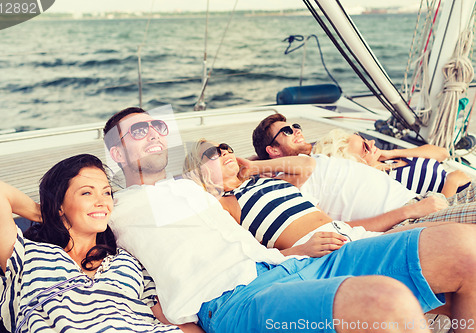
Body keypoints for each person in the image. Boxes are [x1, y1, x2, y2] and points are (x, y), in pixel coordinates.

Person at [104, 106, 476, 333]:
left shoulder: (190, 192)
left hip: (289, 264)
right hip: (236, 300)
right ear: (118, 152)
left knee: (463, 247)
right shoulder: (114, 207)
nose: (154, 133)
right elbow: (56, 216)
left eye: (159, 127)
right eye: (140, 130)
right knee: (385, 301)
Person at [0, 154, 201, 333]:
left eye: (106, 192)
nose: (102, 201)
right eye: (87, 193)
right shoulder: (29, 256)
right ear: (60, 204)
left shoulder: (128, 260)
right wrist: (48, 212)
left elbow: (165, 318)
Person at [252, 113, 476, 230]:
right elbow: (333, 229)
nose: (297, 131)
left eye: (297, 127)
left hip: (425, 202)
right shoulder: (292, 186)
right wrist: (255, 166)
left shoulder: (318, 161)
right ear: (272, 150)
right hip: (413, 216)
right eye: (287, 131)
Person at [183, 138, 385, 257]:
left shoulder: (263, 181)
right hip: (319, 251)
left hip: (349, 234)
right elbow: (247, 257)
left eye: (226, 147)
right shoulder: (223, 204)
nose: (225, 151)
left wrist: (255, 167)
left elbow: (306, 166)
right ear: (198, 170)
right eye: (213, 152)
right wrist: (300, 251)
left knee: (417, 237)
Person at [313, 128, 473, 197]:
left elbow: (442, 153)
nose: (372, 142)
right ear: (353, 163)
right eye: (365, 147)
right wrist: (451, 183)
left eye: (364, 138)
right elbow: (432, 215)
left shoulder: (391, 159)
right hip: (462, 201)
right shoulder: (384, 184)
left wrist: (391, 153)